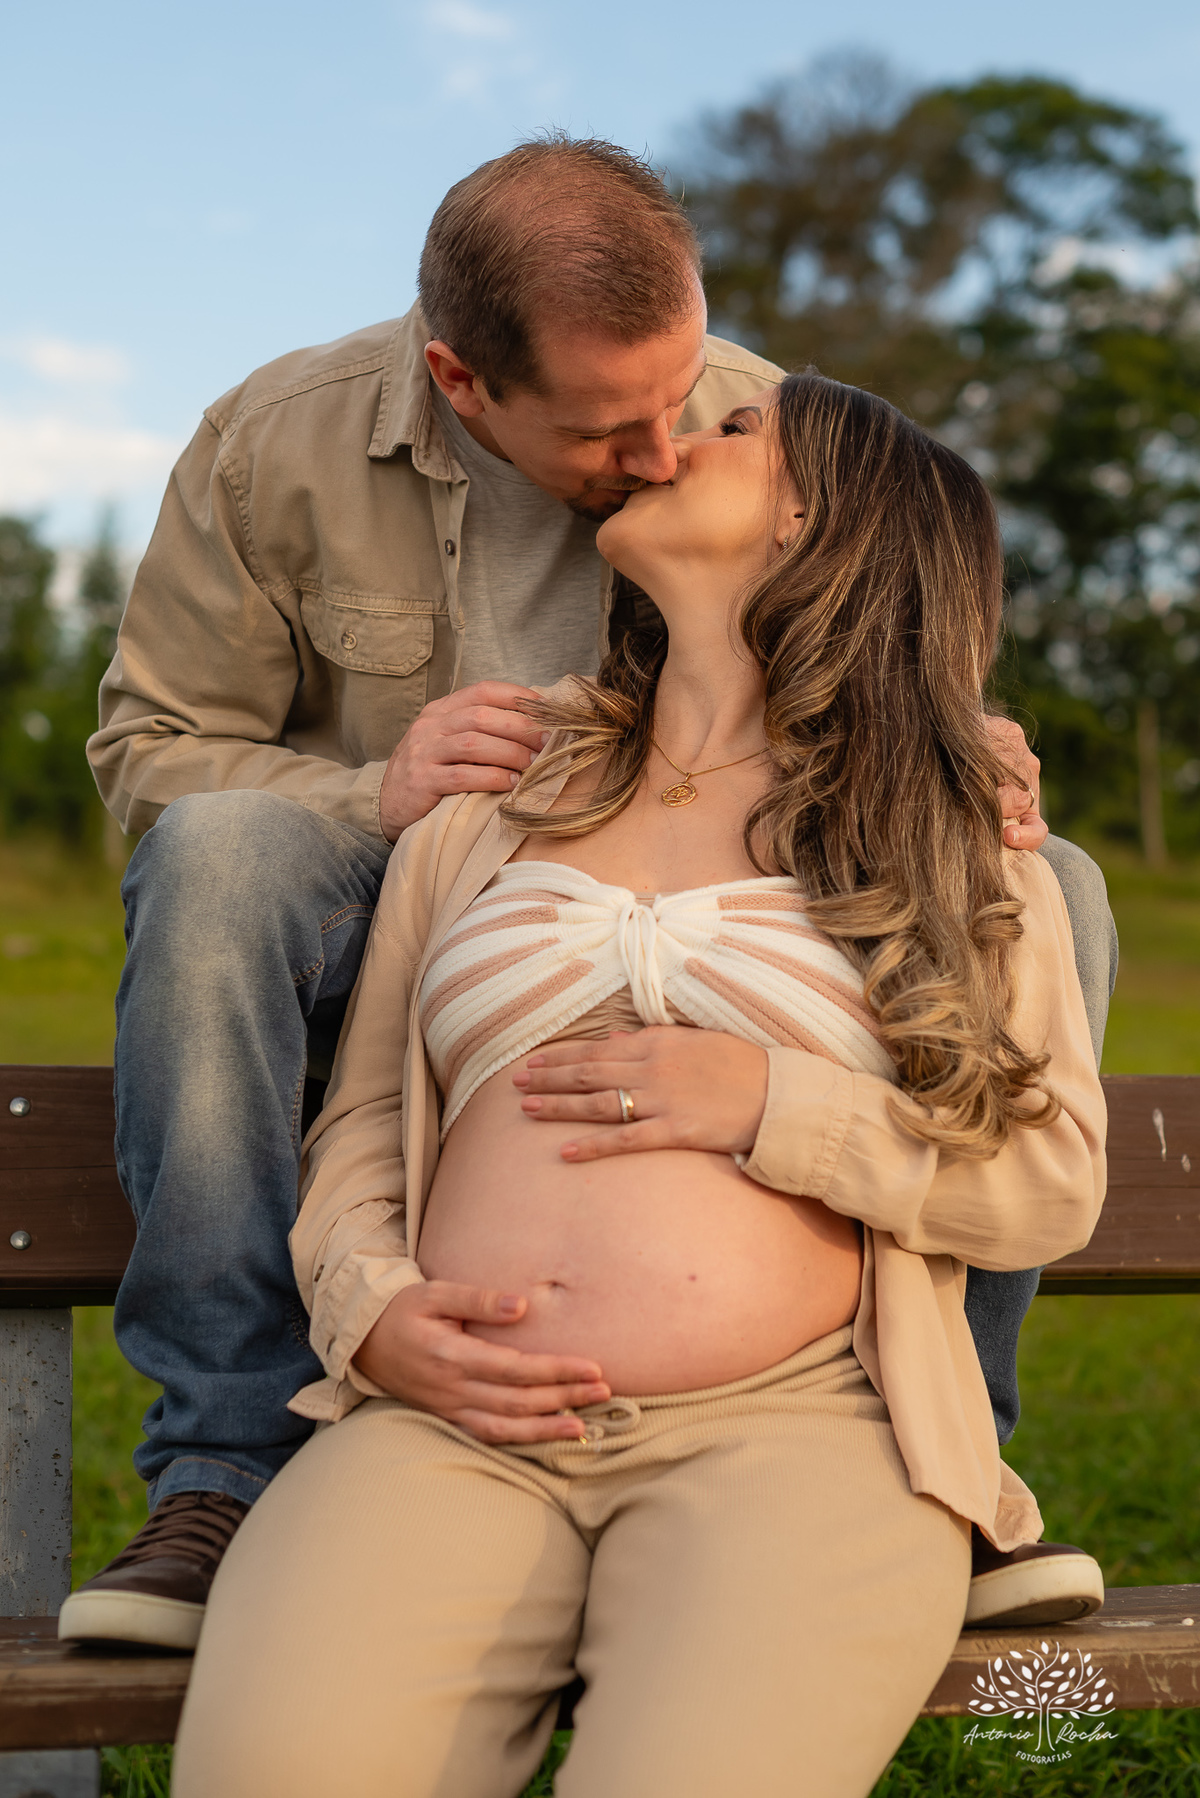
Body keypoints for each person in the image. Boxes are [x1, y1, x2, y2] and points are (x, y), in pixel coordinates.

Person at [62, 136, 1111, 1653]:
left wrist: (959, 745)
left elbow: (883, 645)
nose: (667, 448)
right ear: (460, 379)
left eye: (688, 402)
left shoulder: (757, 427)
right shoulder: (270, 444)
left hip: (712, 901)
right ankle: (228, 1462)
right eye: (613, 429)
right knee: (222, 857)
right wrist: (378, 792)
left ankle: (957, 1454)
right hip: (391, 909)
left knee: (1046, 885)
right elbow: (149, 748)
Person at [170, 372, 1107, 1798]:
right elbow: (367, 1114)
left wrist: (767, 1103)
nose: (672, 444)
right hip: (452, 1428)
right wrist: (374, 1308)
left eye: (737, 430)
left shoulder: (952, 830)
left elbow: (1046, 1178)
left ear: (824, 520)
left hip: (802, 1431)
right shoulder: (499, 803)